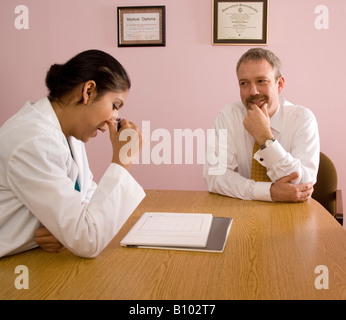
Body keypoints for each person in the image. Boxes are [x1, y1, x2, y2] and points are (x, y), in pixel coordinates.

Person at [0, 50, 145, 258]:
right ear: (88, 91)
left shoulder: (67, 134)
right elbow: (87, 241)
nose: (113, 121)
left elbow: (86, 197)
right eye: (114, 106)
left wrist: (68, 231)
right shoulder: (34, 140)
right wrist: (122, 161)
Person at [203, 48, 320, 202]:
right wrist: (268, 192)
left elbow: (301, 185)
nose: (253, 91)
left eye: (261, 81)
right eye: (244, 83)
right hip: (242, 210)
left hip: (291, 213)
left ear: (279, 85)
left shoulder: (303, 119)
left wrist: (265, 138)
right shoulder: (228, 116)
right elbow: (214, 175)